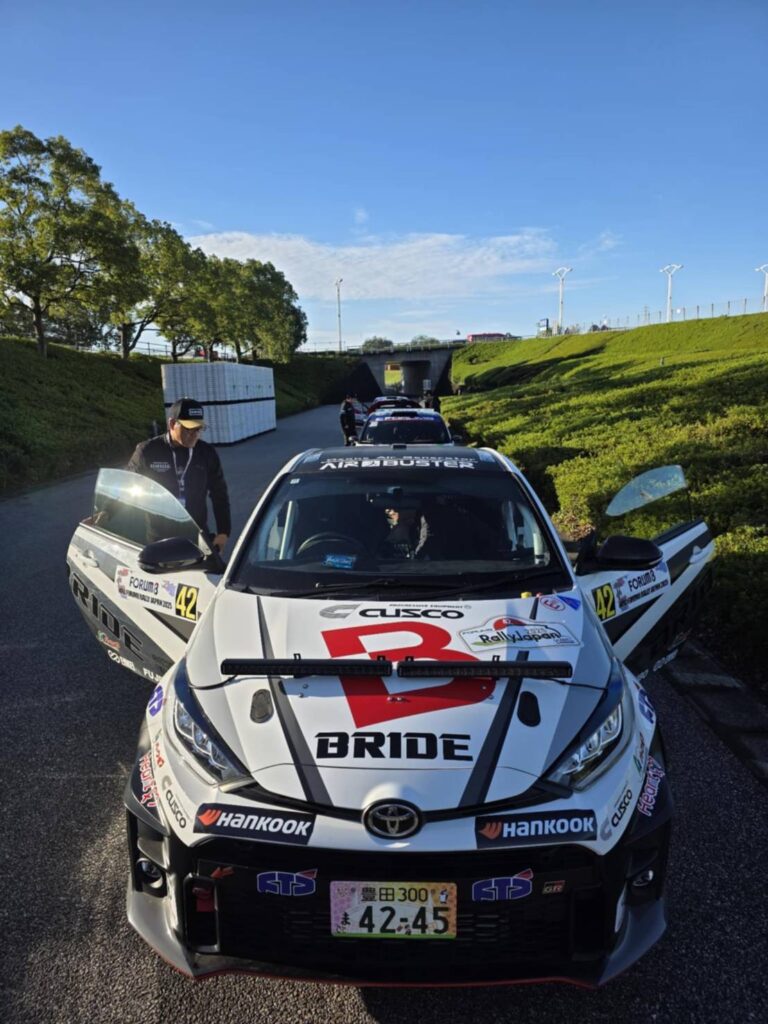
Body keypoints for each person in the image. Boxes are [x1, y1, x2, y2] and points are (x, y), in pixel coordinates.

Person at [127, 397, 231, 553]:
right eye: (189, 429)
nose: (195, 434)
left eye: (199, 429)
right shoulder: (147, 451)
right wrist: (105, 512)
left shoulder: (207, 453)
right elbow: (127, 486)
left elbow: (219, 493)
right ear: (171, 424)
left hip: (197, 536)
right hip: (159, 538)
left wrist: (223, 532)